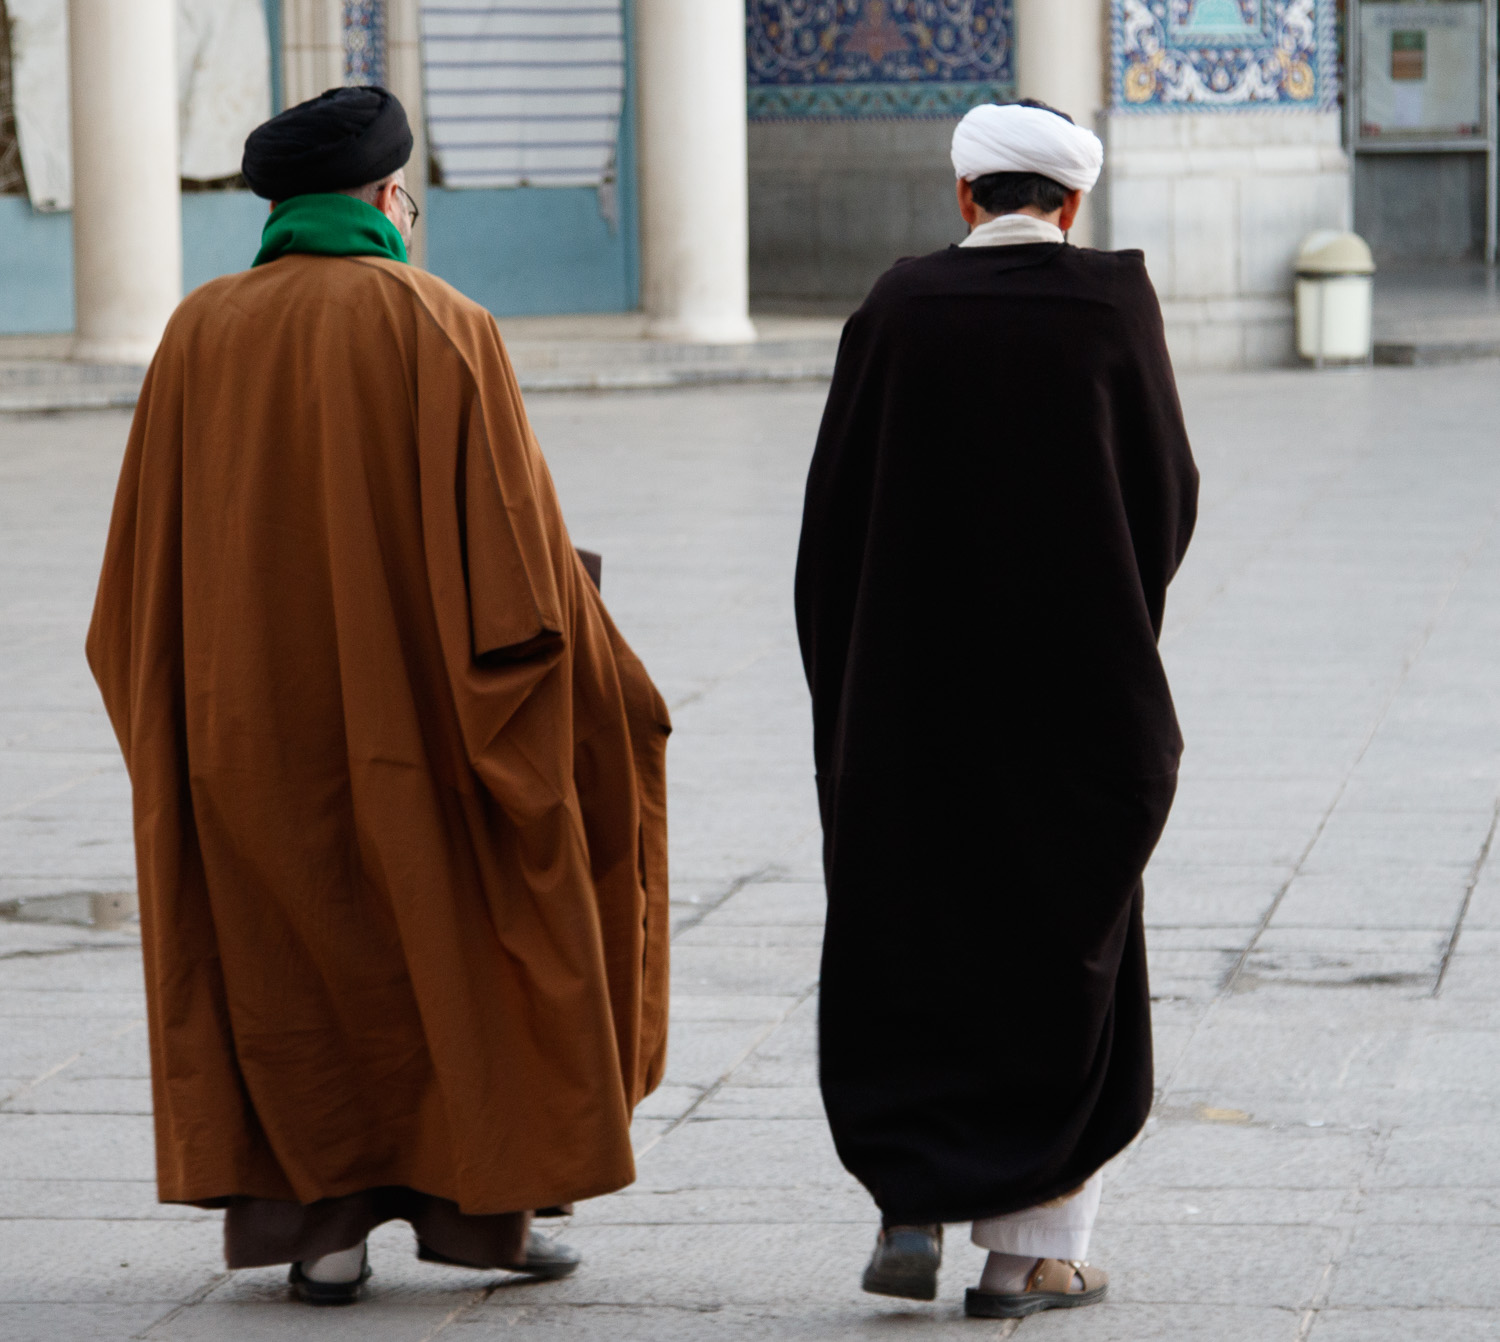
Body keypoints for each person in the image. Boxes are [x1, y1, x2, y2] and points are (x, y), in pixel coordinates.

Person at [86, 87, 672, 1306]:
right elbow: (518, 577)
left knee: (290, 968)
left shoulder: (198, 332)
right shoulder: (440, 321)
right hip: (424, 731)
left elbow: (136, 581)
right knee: (456, 951)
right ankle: (492, 1202)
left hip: (245, 738)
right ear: (389, 198)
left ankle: (324, 1233)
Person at [794, 99, 1198, 1320]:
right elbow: (1164, 493)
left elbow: (834, 513)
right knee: (1062, 946)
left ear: (965, 195)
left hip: (907, 697)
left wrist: (850, 681)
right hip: (1075, 700)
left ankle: (910, 1197)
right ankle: (1028, 1259)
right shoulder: (1113, 306)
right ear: (1071, 204)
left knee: (913, 928)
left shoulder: (897, 307)